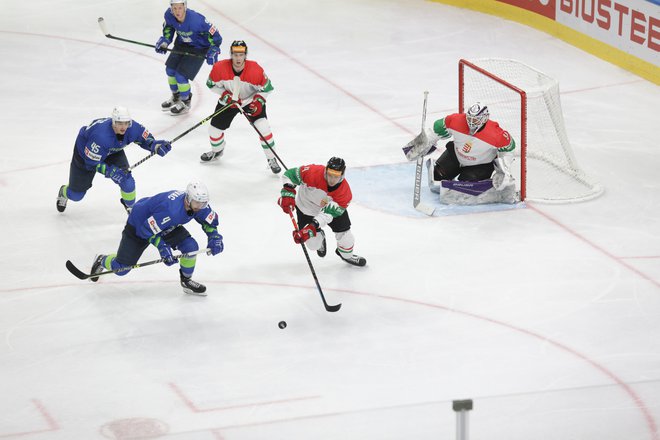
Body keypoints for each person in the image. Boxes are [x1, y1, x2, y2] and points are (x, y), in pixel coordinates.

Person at [89, 181, 224, 296]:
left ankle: (186, 280)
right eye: (197, 203)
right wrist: (162, 247)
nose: (200, 207)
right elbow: (145, 231)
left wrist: (214, 237)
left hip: (165, 224)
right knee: (122, 269)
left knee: (190, 247)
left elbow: (209, 222)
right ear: (188, 199)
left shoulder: (199, 206)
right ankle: (102, 260)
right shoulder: (172, 210)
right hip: (139, 224)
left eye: (203, 203)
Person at [56, 106, 172, 214]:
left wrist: (155, 146)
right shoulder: (100, 136)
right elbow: (91, 163)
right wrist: (110, 171)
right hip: (85, 155)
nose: (123, 127)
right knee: (76, 195)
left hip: (112, 150)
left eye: (126, 123)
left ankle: (131, 209)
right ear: (113, 122)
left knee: (127, 181)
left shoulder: (133, 128)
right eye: (119, 123)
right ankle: (64, 191)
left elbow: (146, 139)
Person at [200, 40, 281, 174]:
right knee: (214, 130)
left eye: (241, 54)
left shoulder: (255, 70)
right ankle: (217, 151)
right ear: (231, 54)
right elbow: (210, 84)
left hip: (250, 102)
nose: (238, 58)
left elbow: (267, 88)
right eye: (235, 54)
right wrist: (225, 95)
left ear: (245, 55)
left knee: (263, 128)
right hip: (229, 102)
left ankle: (272, 159)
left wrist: (258, 102)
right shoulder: (219, 68)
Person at [277, 157, 366, 267]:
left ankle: (346, 255)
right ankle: (320, 237)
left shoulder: (344, 193)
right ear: (326, 170)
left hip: (330, 211)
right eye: (330, 174)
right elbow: (289, 175)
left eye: (336, 176)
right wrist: (287, 193)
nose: (332, 179)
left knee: (347, 239)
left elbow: (327, 215)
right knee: (313, 244)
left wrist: (312, 226)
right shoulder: (313, 172)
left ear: (342, 175)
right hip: (306, 207)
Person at [425, 102, 516, 192]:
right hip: (456, 156)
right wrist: (426, 142)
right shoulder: (456, 120)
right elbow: (438, 128)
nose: (471, 123)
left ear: (485, 118)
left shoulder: (496, 134)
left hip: (480, 165)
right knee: (437, 176)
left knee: (465, 188)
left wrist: (503, 170)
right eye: (469, 118)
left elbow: (509, 149)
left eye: (475, 120)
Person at [156, 0, 223, 115]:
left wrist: (214, 48)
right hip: (182, 44)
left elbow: (215, 35)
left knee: (181, 76)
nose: (177, 11)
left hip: (198, 48)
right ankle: (176, 96)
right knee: (170, 70)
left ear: (185, 7)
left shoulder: (197, 20)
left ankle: (185, 101)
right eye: (174, 8)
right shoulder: (169, 15)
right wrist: (166, 40)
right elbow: (169, 27)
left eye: (180, 8)